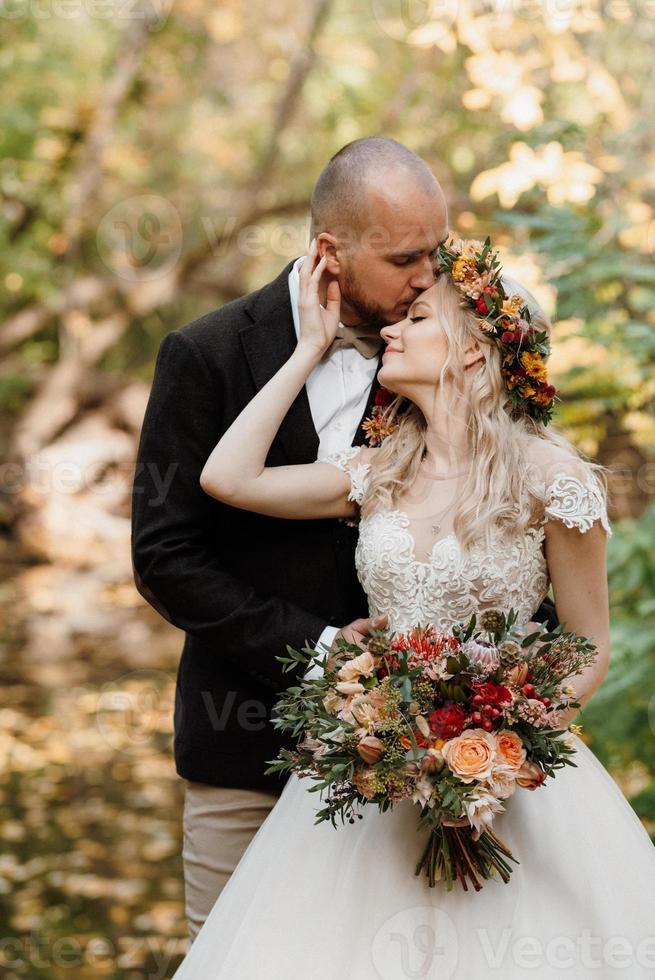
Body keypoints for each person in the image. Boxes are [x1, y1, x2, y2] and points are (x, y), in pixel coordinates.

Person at [170, 237, 655, 979]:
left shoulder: (555, 483)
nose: (391, 329)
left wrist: (502, 745)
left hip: (506, 787)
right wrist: (304, 351)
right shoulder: (377, 470)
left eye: (419, 317)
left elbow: (587, 647)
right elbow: (228, 477)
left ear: (470, 352)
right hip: (371, 776)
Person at [133, 137, 544, 942]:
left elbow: (511, 536)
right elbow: (166, 557)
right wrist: (324, 651)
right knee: (235, 954)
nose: (429, 275)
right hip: (245, 748)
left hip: (427, 771)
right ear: (330, 250)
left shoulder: (437, 348)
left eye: (437, 250)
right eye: (404, 258)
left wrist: (493, 707)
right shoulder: (206, 353)